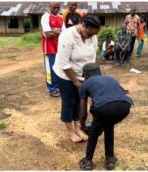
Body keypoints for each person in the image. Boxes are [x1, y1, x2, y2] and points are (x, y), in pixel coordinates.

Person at [53, 14, 101, 143]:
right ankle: (71, 132)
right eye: (89, 33)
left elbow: (92, 60)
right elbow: (64, 64)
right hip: (65, 75)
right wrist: (76, 82)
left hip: (82, 75)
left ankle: (77, 128)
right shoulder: (67, 36)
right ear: (83, 25)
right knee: (69, 102)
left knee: (79, 103)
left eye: (93, 34)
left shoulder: (93, 37)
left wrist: (89, 80)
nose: (91, 36)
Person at [78, 63, 133, 170]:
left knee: (94, 130)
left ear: (85, 74)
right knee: (108, 125)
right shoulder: (110, 78)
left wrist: (82, 124)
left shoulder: (84, 84)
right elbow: (123, 92)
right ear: (99, 71)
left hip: (105, 108)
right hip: (125, 107)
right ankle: (110, 159)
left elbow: (83, 112)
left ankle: (88, 161)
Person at [41, 3, 64, 97]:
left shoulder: (61, 18)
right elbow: (48, 35)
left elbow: (64, 33)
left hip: (59, 48)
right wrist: (58, 32)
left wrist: (53, 30)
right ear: (49, 7)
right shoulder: (45, 17)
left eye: (58, 8)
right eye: (54, 7)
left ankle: (57, 87)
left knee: (58, 69)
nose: (56, 9)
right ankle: (52, 89)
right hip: (48, 48)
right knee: (50, 70)